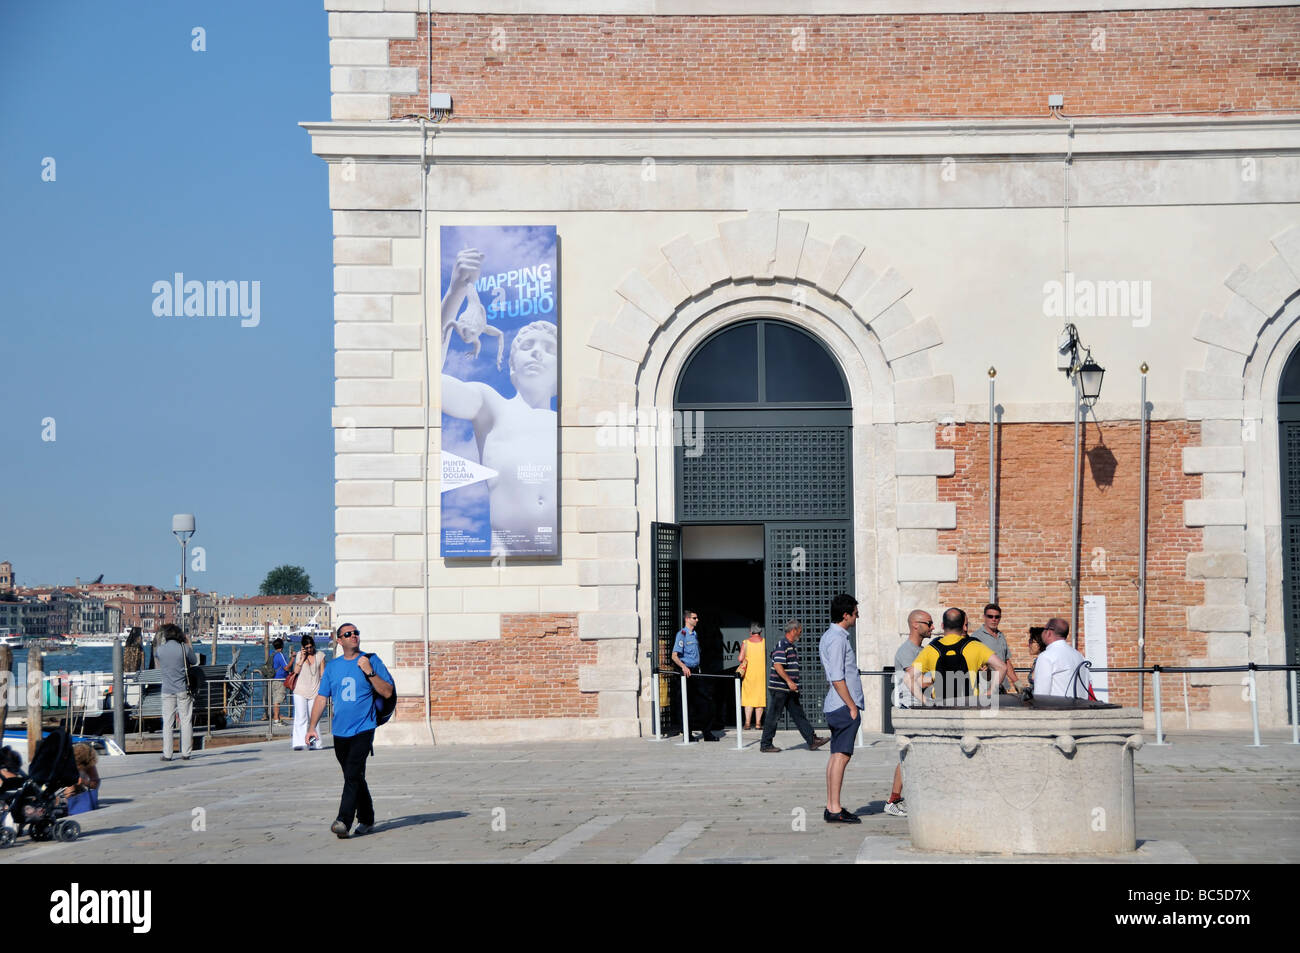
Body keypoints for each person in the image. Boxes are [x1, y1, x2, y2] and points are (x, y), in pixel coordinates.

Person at [441, 248, 558, 555]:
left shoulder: (569, 426)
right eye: (527, 345)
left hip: (565, 553)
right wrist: (454, 292)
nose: (536, 352)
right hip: (504, 555)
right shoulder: (492, 407)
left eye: (549, 348)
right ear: (511, 366)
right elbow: (429, 383)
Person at [306, 623, 394, 839]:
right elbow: (321, 698)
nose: (354, 636)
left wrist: (369, 671)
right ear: (339, 641)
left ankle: (343, 821)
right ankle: (367, 818)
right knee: (353, 776)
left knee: (353, 773)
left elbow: (387, 692)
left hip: (364, 728)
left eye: (356, 633)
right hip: (340, 732)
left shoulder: (371, 660)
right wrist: (311, 727)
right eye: (348, 634)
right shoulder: (333, 667)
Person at [905, 608, 1009, 707]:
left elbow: (908, 677)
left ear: (942, 625)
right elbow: (1002, 667)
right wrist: (988, 694)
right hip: (969, 704)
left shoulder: (931, 649)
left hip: (941, 705)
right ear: (963, 626)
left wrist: (925, 701)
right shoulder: (976, 646)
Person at [885, 609, 934, 817]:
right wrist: (937, 675)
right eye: (929, 623)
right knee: (908, 753)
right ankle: (893, 800)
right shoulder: (906, 651)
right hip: (907, 708)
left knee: (913, 753)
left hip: (917, 706)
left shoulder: (919, 650)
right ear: (916, 625)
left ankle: (903, 798)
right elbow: (913, 681)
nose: (933, 627)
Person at [820, 594, 864, 824]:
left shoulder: (831, 636)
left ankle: (832, 805)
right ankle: (834, 807)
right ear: (845, 615)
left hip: (836, 704)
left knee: (836, 756)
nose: (857, 617)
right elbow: (837, 677)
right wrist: (852, 706)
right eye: (855, 613)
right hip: (842, 706)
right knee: (841, 757)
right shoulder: (837, 639)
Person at [759, 619, 828, 753]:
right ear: (793, 630)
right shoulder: (782, 645)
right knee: (773, 716)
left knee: (798, 715)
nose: (800, 634)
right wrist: (789, 681)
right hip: (780, 688)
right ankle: (765, 744)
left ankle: (812, 740)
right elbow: (778, 666)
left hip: (789, 690)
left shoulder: (791, 646)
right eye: (799, 631)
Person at [670, 609, 719, 742]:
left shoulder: (695, 634)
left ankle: (707, 733)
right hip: (687, 673)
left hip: (696, 672)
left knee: (705, 702)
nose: (697, 620)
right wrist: (683, 666)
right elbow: (674, 656)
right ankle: (688, 734)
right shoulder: (682, 634)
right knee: (687, 704)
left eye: (697, 618)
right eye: (694, 618)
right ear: (687, 619)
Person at [155, 623, 197, 762]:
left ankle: (167, 754)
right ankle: (186, 753)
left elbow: (157, 661)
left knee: (167, 722)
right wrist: (189, 643)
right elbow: (194, 661)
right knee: (185, 720)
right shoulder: (183, 648)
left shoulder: (160, 650)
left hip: (167, 689)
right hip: (182, 688)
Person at [1031, 618, 1092, 698]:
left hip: (1058, 708)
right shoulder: (1079, 655)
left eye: (1044, 629)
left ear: (1049, 633)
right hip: (1080, 707)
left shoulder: (1046, 656)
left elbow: (1041, 695)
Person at [971, 603, 1020, 695]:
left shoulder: (1001, 636)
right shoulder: (976, 637)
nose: (994, 619)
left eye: (997, 617)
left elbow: (1006, 661)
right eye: (990, 616)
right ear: (984, 617)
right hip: (986, 687)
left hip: (1002, 687)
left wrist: (1017, 682)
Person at [291, 633, 327, 751]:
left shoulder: (320, 655)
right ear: (303, 647)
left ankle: (314, 743)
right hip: (300, 690)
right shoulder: (300, 656)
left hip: (315, 690)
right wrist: (302, 659)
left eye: (311, 647)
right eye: (306, 647)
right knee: (301, 717)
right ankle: (299, 742)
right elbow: (295, 671)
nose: (309, 649)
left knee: (314, 718)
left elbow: (322, 674)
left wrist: (324, 690)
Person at [737, 623, 766, 732]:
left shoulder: (746, 643)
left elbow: (740, 658)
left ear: (751, 632)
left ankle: (747, 723)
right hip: (761, 674)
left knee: (749, 699)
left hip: (749, 674)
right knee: (760, 699)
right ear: (760, 632)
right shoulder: (764, 642)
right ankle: (758, 723)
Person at [270, 638, 290, 726]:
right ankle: (276, 720)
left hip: (273, 679)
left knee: (275, 699)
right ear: (282, 646)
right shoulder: (280, 655)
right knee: (278, 700)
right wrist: (292, 659)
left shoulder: (272, 654)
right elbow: (286, 667)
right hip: (280, 679)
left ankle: (276, 718)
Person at [1025, 626, 1047, 691]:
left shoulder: (1044, 661)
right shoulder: (1038, 660)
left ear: (1040, 643)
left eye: (1031, 641)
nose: (1029, 644)